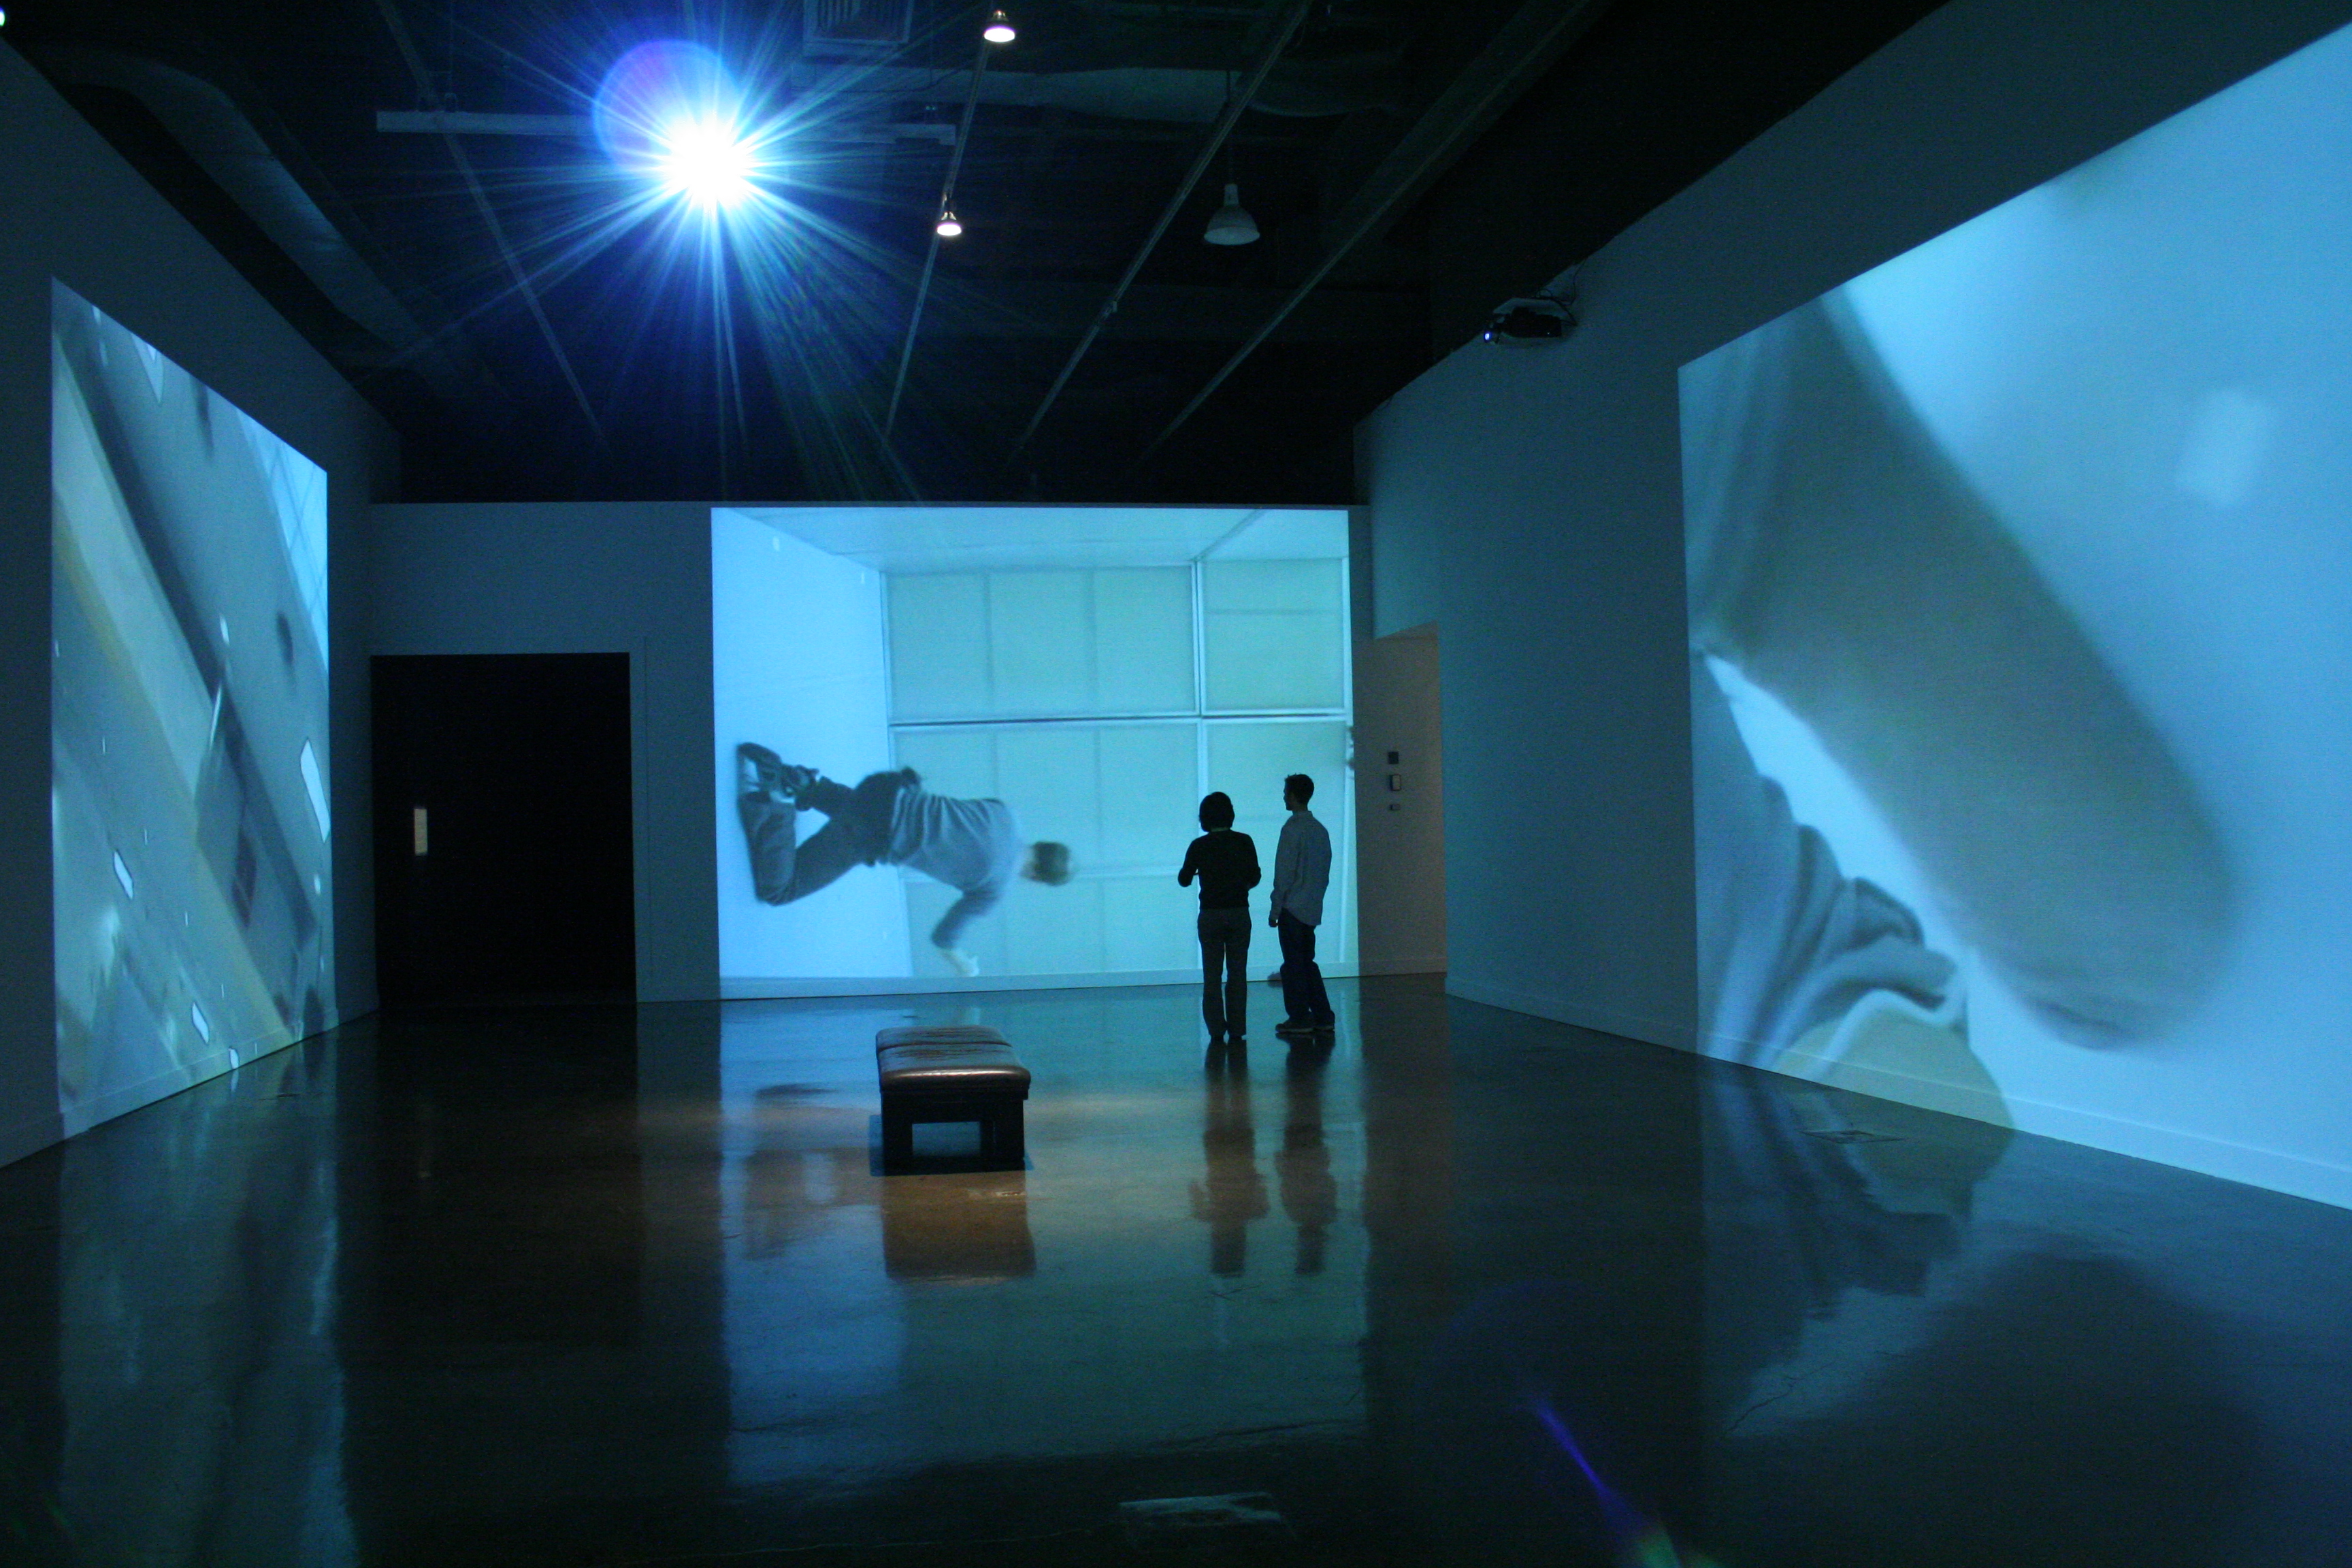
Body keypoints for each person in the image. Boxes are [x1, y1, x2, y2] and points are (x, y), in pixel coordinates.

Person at [734, 742, 1073, 976]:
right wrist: (963, 965)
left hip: (887, 788)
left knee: (867, 812)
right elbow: (944, 938)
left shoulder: (1007, 815)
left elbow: (949, 820)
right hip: (874, 833)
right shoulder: (995, 889)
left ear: (1042, 844)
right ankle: (777, 800)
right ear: (1038, 878)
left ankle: (806, 784)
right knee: (780, 890)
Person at [1179, 791, 1260, 1047]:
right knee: (1238, 973)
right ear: (1231, 814)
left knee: (1212, 976)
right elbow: (1255, 876)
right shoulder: (1244, 841)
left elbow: (1184, 879)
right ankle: (1237, 1029)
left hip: (1211, 915)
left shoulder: (1199, 846)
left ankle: (1216, 1030)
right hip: (1239, 912)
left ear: (1204, 818)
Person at [1269, 773, 1336, 1039]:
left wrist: (1276, 909)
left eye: (1286, 792)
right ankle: (1323, 1016)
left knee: (1294, 966)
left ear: (1295, 795)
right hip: (1311, 909)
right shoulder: (1320, 830)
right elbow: (1323, 872)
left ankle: (1299, 1018)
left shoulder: (1292, 829)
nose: (1284, 796)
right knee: (1307, 963)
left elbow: (1284, 873)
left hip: (1292, 909)